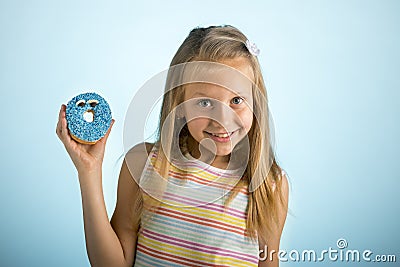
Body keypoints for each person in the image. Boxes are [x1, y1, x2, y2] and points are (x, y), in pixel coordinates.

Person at [56, 25, 289, 267]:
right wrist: (89, 172)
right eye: (205, 102)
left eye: (237, 100)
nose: (222, 119)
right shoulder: (145, 164)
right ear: (179, 104)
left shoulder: (270, 187)